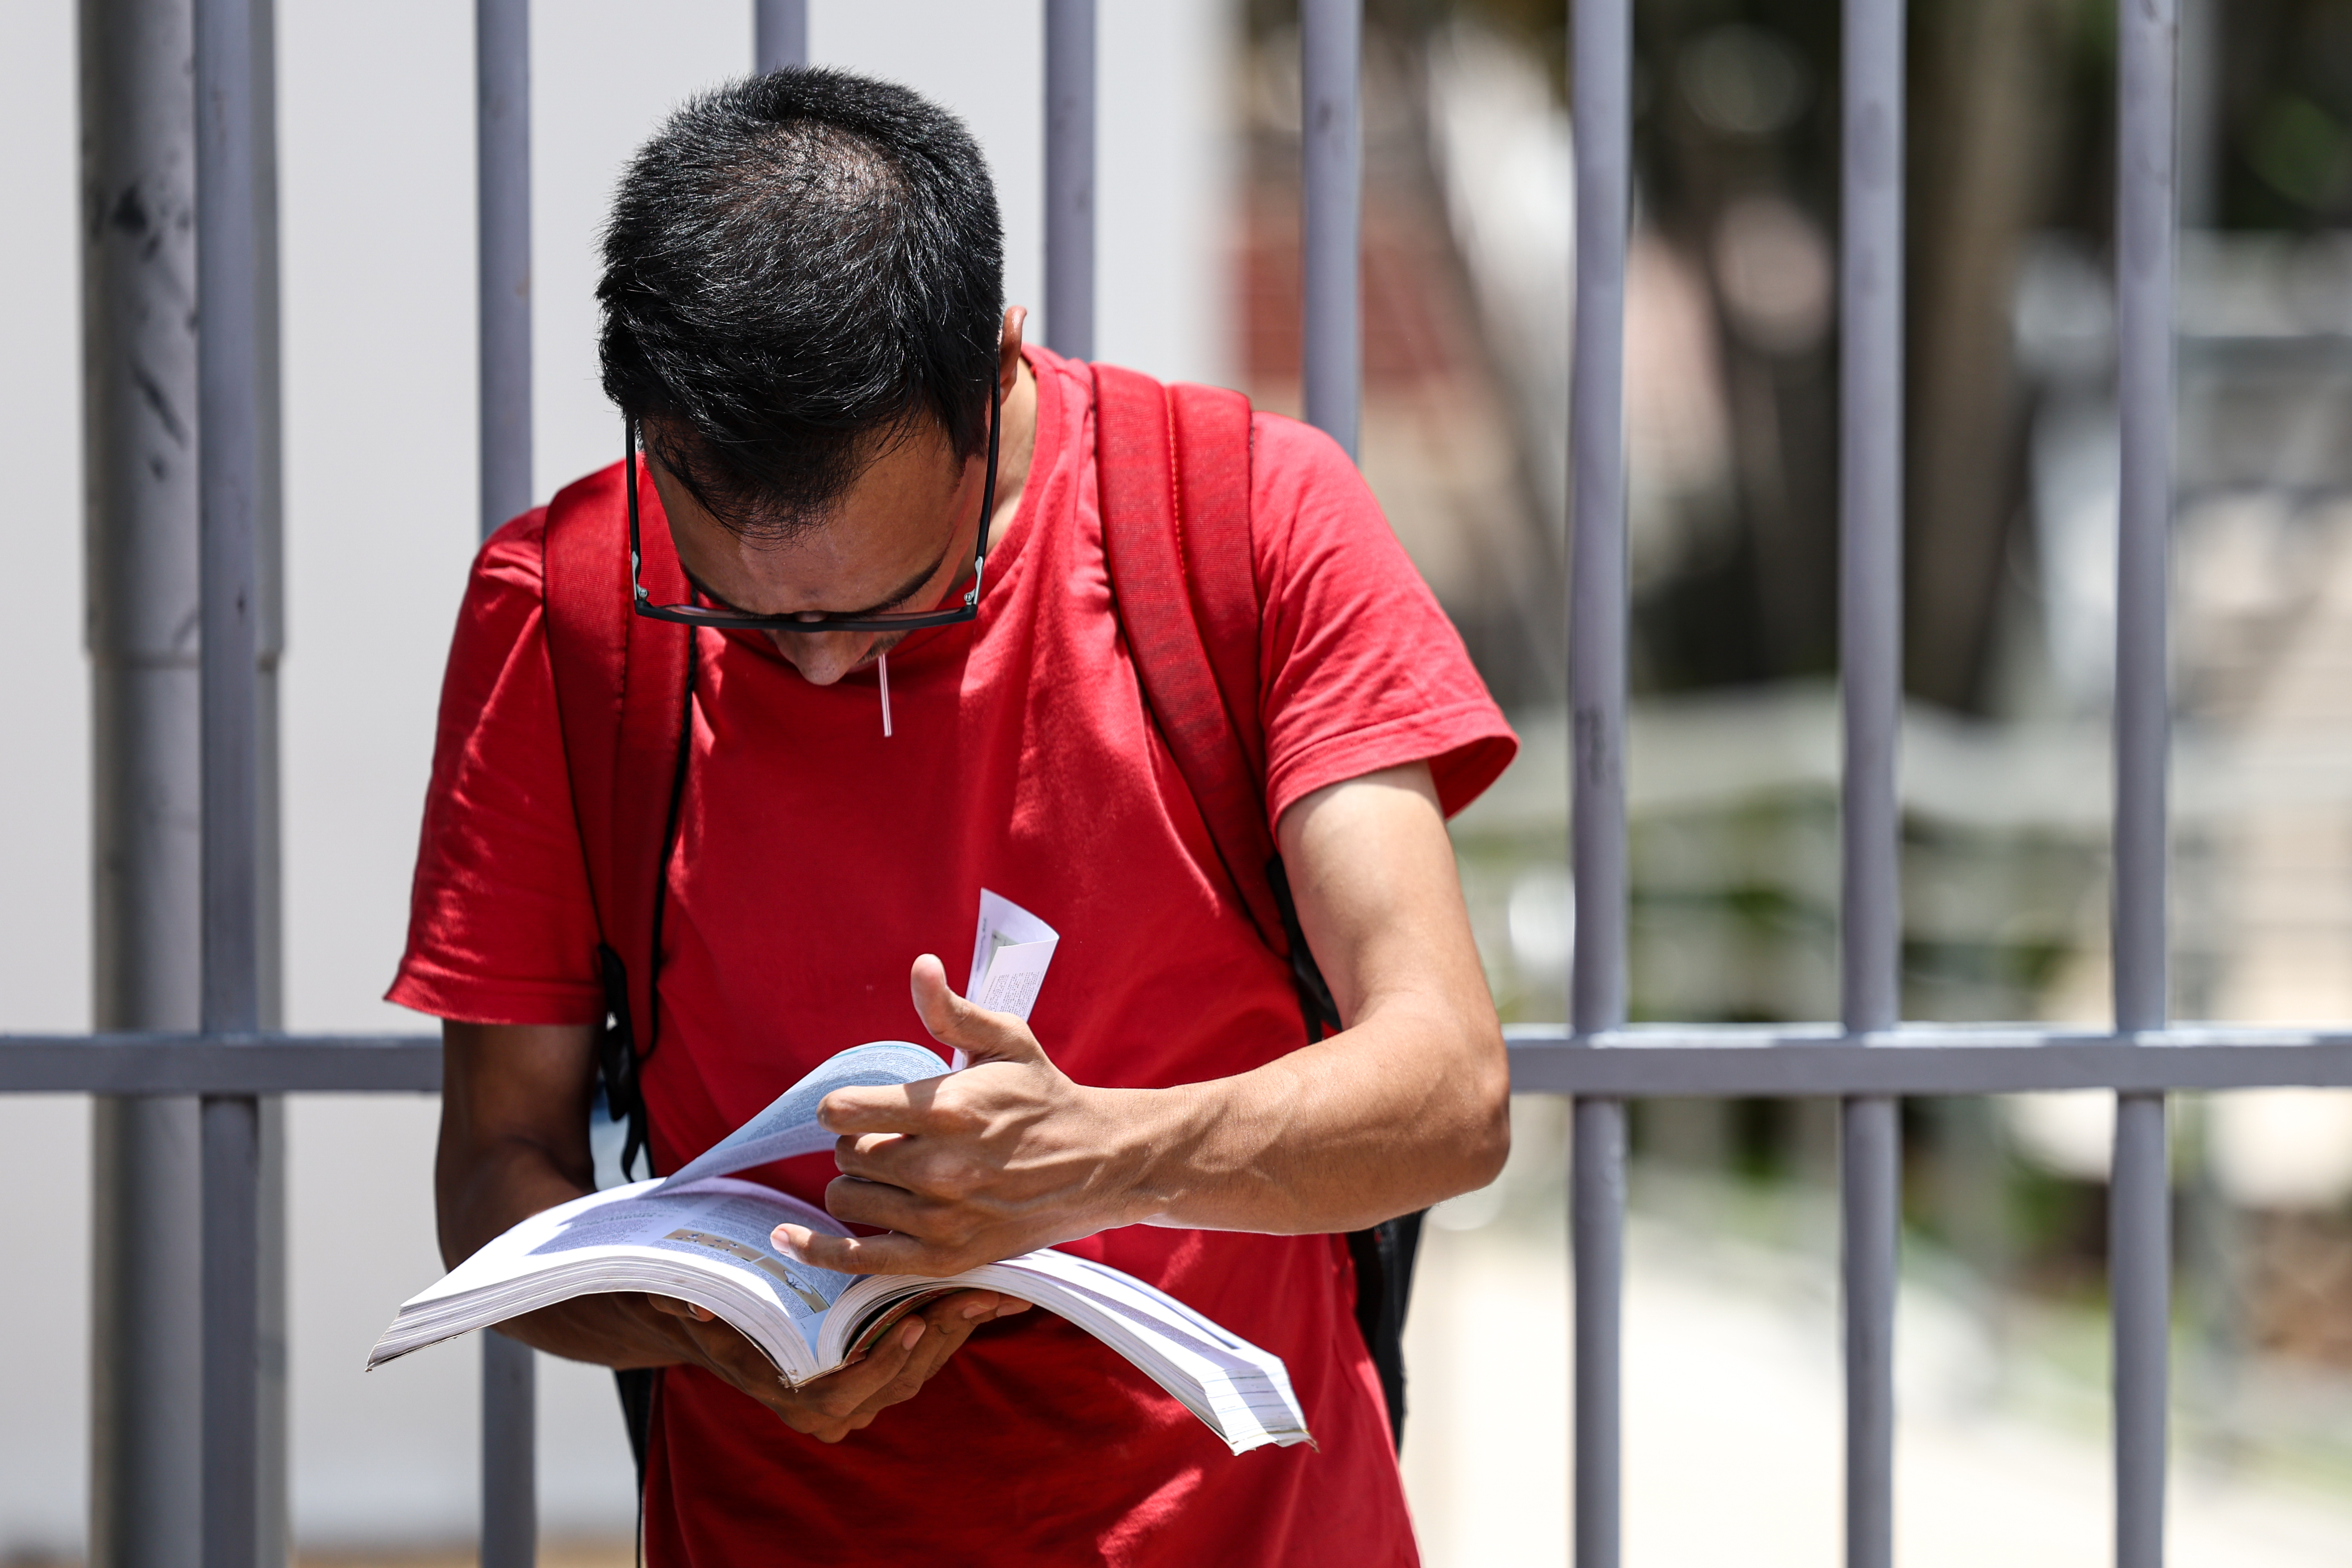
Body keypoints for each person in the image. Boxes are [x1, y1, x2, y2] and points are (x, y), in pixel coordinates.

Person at [394, 67, 1515, 1566]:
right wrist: (705, 1324)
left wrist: (1105, 1153)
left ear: (995, 370)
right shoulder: (569, 607)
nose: (815, 656)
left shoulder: (1246, 521)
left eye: (887, 600)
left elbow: (1448, 1087)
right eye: (732, 603)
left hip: (1245, 1528)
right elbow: (493, 1179)